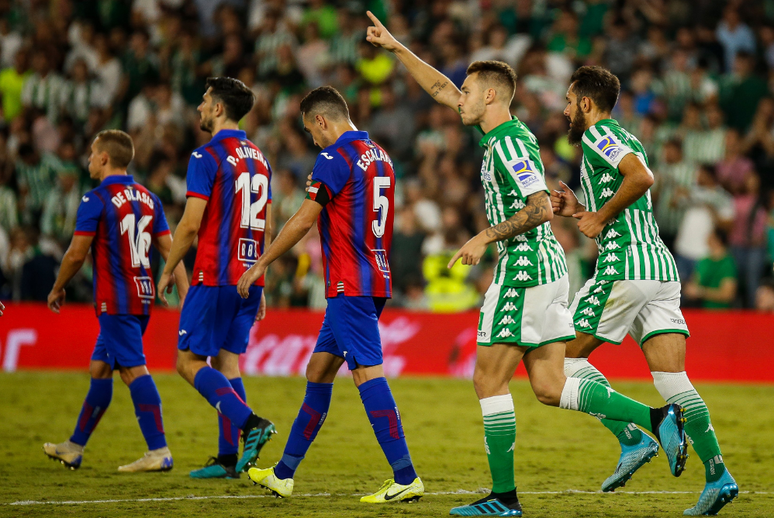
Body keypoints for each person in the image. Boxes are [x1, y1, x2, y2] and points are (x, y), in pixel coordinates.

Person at [366, 14, 687, 517]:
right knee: (549, 386)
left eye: (468, 91)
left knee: (488, 380)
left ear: (490, 96)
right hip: (545, 265)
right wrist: (396, 48)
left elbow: (538, 207)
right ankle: (659, 417)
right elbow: (440, 89)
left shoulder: (511, 142)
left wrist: (483, 235)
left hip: (524, 265)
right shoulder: (495, 134)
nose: (459, 97)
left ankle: (504, 498)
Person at [552, 66, 738, 516]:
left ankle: (632, 438)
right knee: (672, 379)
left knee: (560, 358)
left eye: (569, 100)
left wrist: (599, 216)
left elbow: (641, 178)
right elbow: (626, 194)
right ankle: (718, 476)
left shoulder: (598, 136)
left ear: (587, 104)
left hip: (625, 265)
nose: (564, 109)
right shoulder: (621, 136)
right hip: (658, 265)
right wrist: (583, 210)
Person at [239, 86, 424, 504]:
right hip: (373, 275)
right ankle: (284, 473)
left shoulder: (335, 157)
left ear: (322, 120)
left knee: (366, 374)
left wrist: (262, 262)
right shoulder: (380, 155)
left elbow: (305, 220)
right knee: (319, 370)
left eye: (310, 131)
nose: (313, 140)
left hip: (349, 282)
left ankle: (405, 475)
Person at [43, 130, 188, 472]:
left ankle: (158, 450)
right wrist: (185, 293)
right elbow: (172, 251)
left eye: (93, 154)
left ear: (105, 158)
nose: (89, 160)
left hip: (115, 300)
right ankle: (74, 447)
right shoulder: (150, 199)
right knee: (101, 368)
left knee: (133, 370)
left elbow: (76, 254)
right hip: (142, 294)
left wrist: (57, 286)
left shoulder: (96, 199)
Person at [156, 77, 276, 479]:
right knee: (227, 362)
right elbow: (268, 227)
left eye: (205, 101)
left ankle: (252, 424)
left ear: (220, 109)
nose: (200, 108)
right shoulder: (260, 158)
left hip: (215, 274)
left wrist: (169, 266)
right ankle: (228, 460)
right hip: (248, 276)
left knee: (187, 362)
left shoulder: (205, 156)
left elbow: (190, 225)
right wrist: (261, 277)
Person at [684, 228, 737, 309]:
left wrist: (701, 292)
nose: (706, 238)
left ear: (717, 240)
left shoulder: (728, 263)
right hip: (699, 309)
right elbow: (694, 283)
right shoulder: (703, 261)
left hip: (720, 312)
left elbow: (728, 294)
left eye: (710, 236)